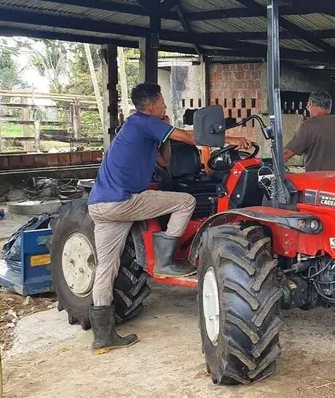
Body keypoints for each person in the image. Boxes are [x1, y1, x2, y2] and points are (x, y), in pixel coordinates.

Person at [86, 83, 251, 355]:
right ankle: (165, 260)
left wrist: (165, 137)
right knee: (185, 201)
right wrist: (233, 140)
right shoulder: (143, 122)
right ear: (151, 106)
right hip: (124, 200)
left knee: (106, 267)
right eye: (162, 102)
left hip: (101, 205)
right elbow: (189, 138)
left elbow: (163, 162)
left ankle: (102, 338)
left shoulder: (139, 127)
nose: (165, 107)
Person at [282, 90, 335, 172]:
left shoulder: (308, 126)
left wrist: (270, 164)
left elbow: (286, 154)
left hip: (317, 181)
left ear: (311, 104)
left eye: (308, 106)